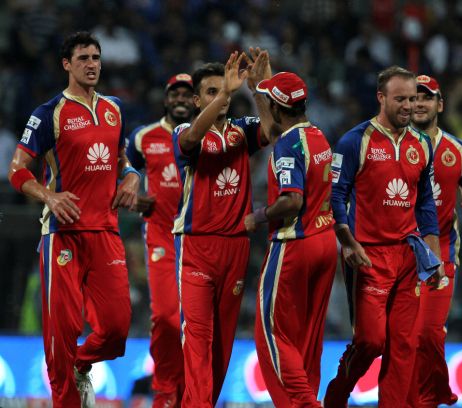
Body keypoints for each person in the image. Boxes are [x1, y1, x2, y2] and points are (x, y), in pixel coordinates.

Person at [7, 31, 139, 408]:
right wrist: (48, 195)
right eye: (83, 58)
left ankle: (82, 366)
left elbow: (122, 159)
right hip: (62, 235)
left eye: (96, 57)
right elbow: (18, 170)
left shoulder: (115, 108)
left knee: (116, 329)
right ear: (67, 64)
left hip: (106, 232)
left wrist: (132, 176)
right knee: (59, 336)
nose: (92, 64)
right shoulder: (48, 113)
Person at [324, 65, 444, 407]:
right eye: (400, 99)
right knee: (372, 342)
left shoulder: (422, 144)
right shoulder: (354, 141)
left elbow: (425, 203)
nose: (408, 106)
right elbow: (336, 196)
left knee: (404, 345)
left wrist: (434, 259)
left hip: (408, 255)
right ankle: (339, 390)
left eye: (412, 99)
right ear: (381, 98)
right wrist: (347, 242)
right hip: (368, 255)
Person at [171, 52, 268, 406]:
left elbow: (273, 129)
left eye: (221, 91)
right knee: (198, 340)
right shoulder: (184, 130)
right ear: (197, 100)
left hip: (235, 248)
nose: (218, 97)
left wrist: (260, 88)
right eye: (210, 92)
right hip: (195, 248)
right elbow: (191, 139)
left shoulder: (242, 130)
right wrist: (227, 94)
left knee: (222, 346)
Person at [245, 64, 338, 407]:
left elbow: (292, 199)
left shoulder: (287, 146)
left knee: (273, 333)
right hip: (325, 242)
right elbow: (272, 129)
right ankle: (307, 397)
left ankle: (304, 403)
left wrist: (258, 216)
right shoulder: (317, 136)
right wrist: (258, 92)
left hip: (293, 244)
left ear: (278, 108)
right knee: (308, 337)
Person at [408, 75, 462, 407]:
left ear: (440, 105)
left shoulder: (459, 150)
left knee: (427, 334)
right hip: (398, 255)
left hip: (443, 254)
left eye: (427, 98)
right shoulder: (393, 145)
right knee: (403, 340)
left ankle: (431, 394)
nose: (419, 103)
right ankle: (422, 397)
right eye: (414, 97)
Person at [126, 73, 196, 407]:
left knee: (191, 323)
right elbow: (122, 166)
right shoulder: (144, 137)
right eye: (175, 93)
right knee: (167, 317)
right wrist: (130, 193)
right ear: (166, 99)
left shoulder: (202, 136)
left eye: (187, 93)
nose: (181, 98)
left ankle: (190, 393)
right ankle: (166, 390)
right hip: (161, 240)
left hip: (197, 241)